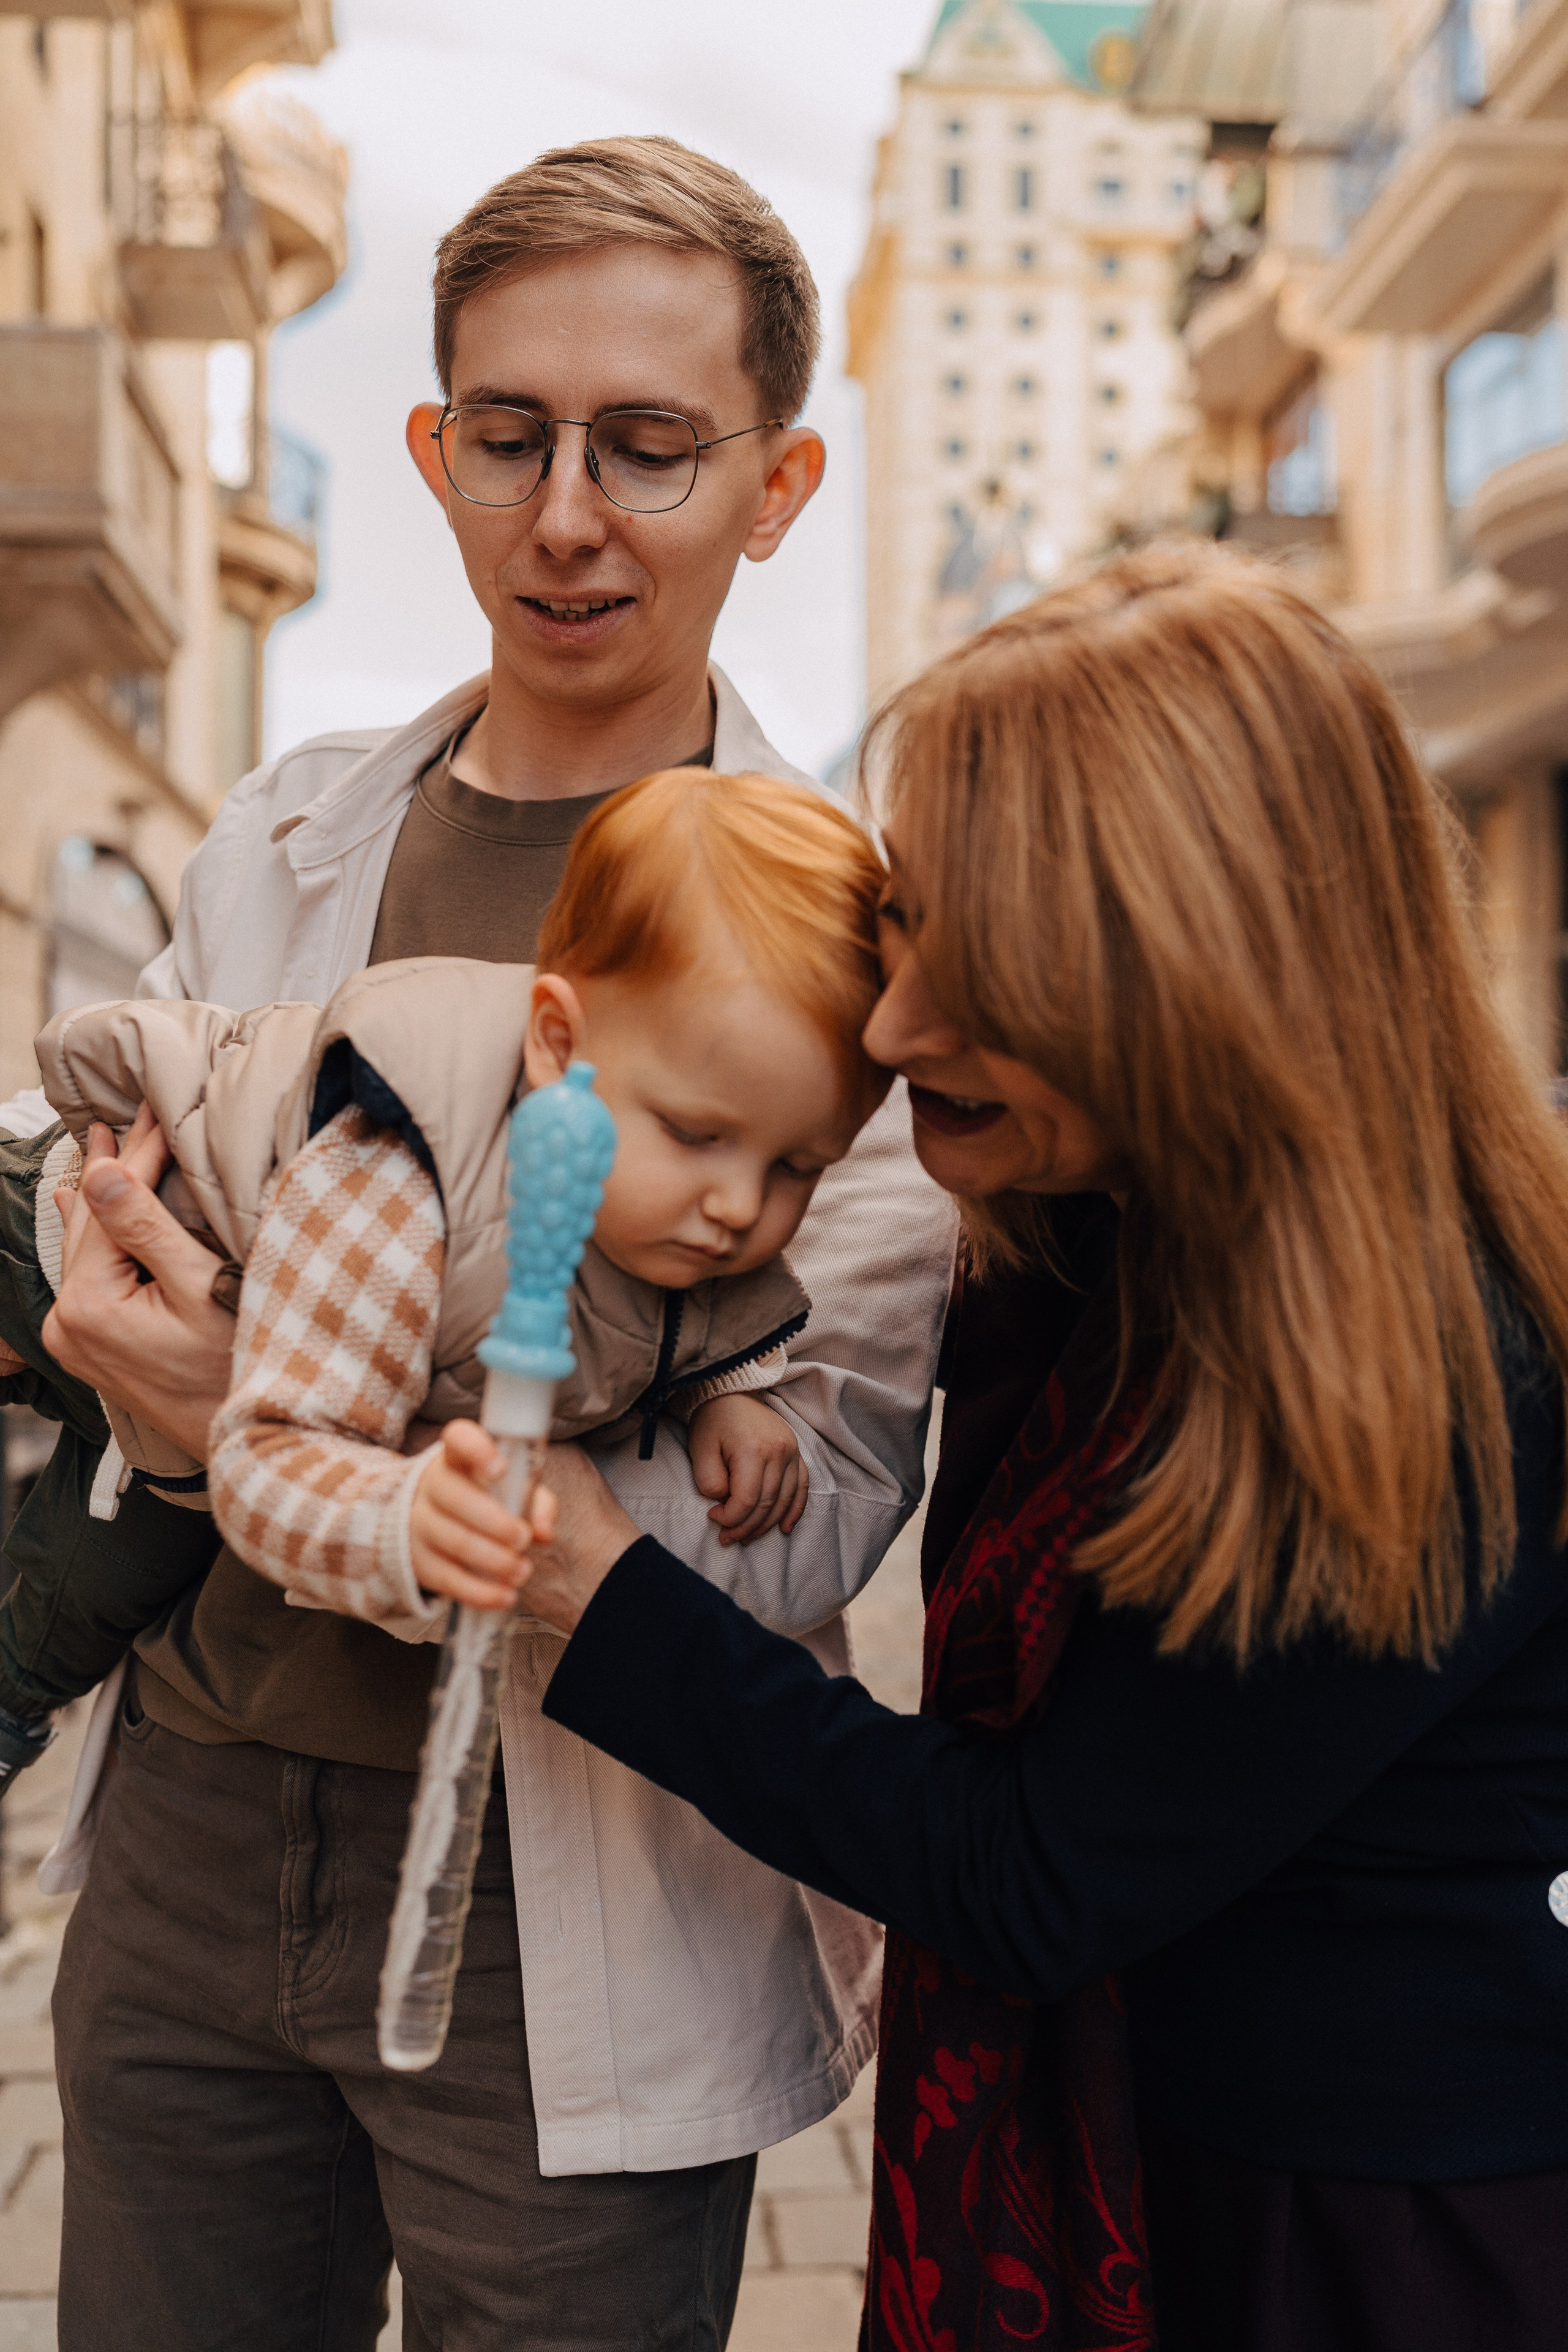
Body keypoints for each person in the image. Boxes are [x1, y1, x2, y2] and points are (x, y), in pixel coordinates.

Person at [23, 138, 955, 2352]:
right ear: (435, 449)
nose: (566, 516)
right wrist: (139, 1355)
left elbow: (814, 1501)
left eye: (648, 447)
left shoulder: (859, 947)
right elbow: (114, 1182)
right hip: (195, 1837)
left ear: (781, 477)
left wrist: (293, 1411)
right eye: (510, 437)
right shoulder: (280, 830)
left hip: (578, 1903)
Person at [466, 545, 1568, 2352]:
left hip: (1350, 2233)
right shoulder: (1092, 1222)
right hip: (1142, 2142)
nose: (893, 1033)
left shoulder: (1434, 1353)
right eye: (908, 925)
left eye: (992, 963)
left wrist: (605, 1597)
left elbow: (1036, 1867)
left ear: (1198, 972)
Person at [0, 768, 886, 1735]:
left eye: (799, 1165)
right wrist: (389, 1514)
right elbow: (272, 1454)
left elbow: (696, 1317)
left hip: (163, 1382)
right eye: (696, 1135)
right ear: (558, 1044)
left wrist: (731, 1394)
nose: (739, 1208)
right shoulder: (405, 1184)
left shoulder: (683, 1203)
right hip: (70, 1228)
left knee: (83, 1593)